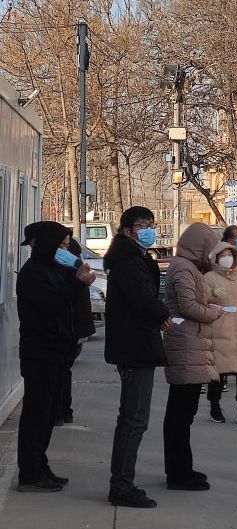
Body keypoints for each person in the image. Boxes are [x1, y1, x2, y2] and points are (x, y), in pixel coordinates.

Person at [15, 221, 95, 493]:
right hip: (40, 352)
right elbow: (51, 303)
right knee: (37, 414)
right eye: (61, 245)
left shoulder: (53, 269)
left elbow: (66, 304)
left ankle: (40, 465)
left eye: (67, 245)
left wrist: (77, 279)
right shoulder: (33, 272)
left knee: (48, 413)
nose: (65, 250)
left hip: (56, 350)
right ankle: (30, 472)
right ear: (49, 244)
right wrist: (76, 284)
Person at [104, 206, 170, 508]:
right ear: (128, 231)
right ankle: (121, 486)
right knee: (134, 419)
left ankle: (122, 482)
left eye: (151, 224)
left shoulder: (136, 258)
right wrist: (162, 314)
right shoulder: (129, 262)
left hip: (136, 343)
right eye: (143, 225)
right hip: (135, 346)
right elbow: (143, 299)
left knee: (133, 418)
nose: (149, 230)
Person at [162, 223, 225, 491]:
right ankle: (178, 473)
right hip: (186, 345)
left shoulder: (187, 267)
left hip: (191, 344)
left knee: (184, 412)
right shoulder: (184, 268)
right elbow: (188, 306)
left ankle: (183, 468)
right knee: (180, 413)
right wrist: (214, 312)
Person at [204, 242, 237, 425]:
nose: (227, 258)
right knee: (217, 374)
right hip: (218, 332)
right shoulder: (209, 277)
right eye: (223, 255)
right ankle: (215, 407)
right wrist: (212, 293)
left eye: (230, 255)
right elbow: (201, 300)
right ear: (216, 258)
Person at [55, 237, 96, 426]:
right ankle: (65, 411)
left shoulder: (68, 268)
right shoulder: (75, 267)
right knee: (64, 370)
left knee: (60, 371)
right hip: (74, 328)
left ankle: (60, 411)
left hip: (68, 329)